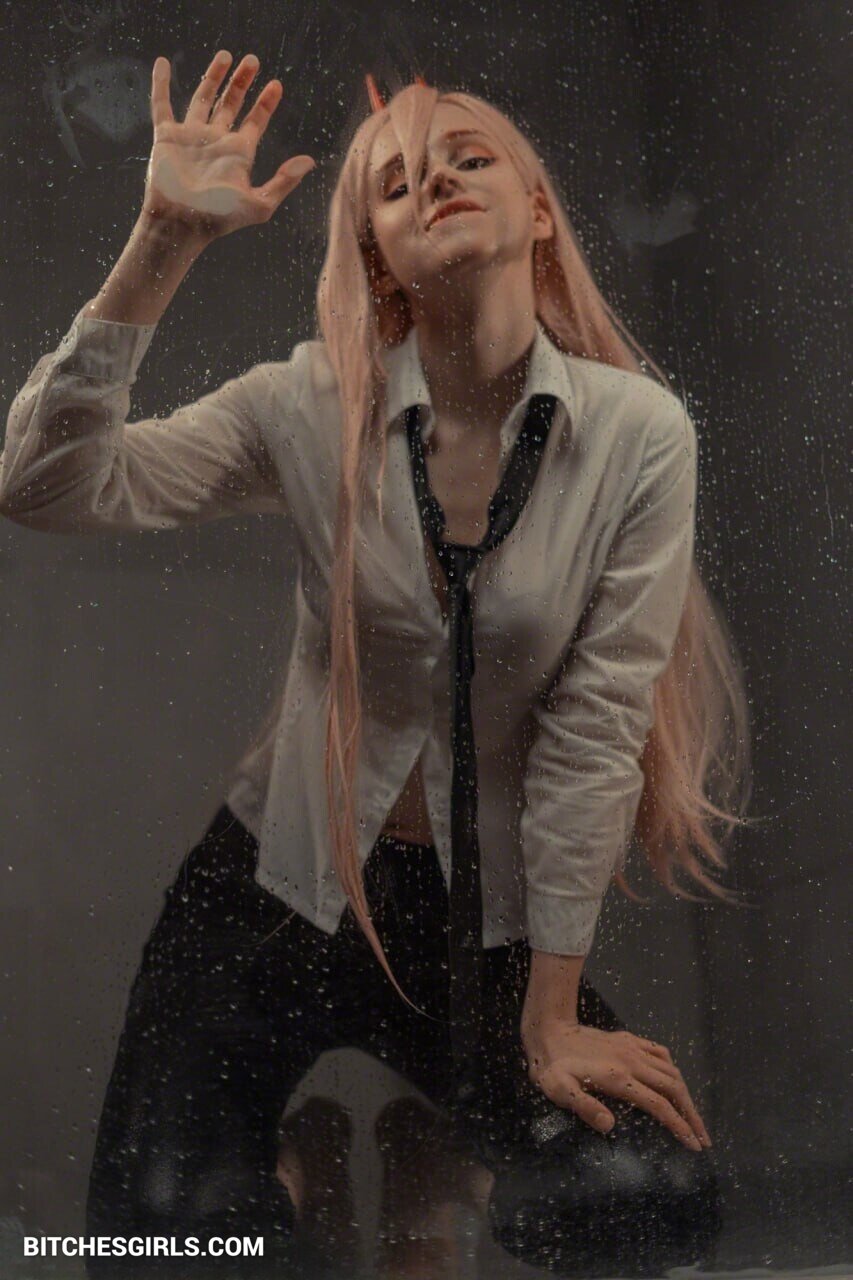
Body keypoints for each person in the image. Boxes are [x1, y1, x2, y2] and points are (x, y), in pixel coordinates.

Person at [0, 49, 754, 1278]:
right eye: (395, 184)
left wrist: (548, 1016)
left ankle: (427, 1169)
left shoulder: (637, 435)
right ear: (376, 254)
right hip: (277, 883)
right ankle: (292, 1169)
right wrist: (162, 241)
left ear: (538, 211)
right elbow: (45, 486)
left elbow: (598, 724)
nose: (434, 182)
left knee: (645, 1203)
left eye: (468, 158)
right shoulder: (305, 402)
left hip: (475, 916)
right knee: (145, 1251)